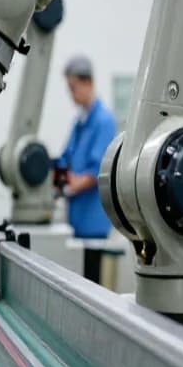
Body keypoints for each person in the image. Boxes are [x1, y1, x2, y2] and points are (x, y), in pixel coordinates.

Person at [58, 55, 117, 284]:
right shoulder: (79, 121)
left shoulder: (103, 121)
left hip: (93, 224)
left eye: (73, 88)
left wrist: (72, 184)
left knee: (90, 285)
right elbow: (65, 156)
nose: (71, 94)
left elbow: (97, 171)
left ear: (88, 83)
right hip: (77, 221)